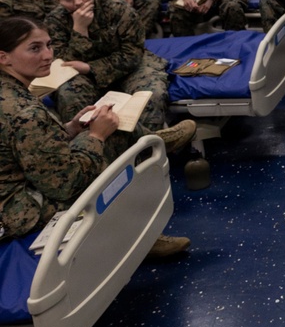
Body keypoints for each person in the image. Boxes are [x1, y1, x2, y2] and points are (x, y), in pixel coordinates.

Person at [0, 16, 192, 256]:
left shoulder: (8, 91)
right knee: (109, 147)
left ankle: (155, 142)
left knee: (108, 132)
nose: (48, 55)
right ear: (3, 57)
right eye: (34, 49)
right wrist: (96, 137)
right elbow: (67, 184)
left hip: (14, 185)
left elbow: (20, 147)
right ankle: (139, 238)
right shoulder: (24, 111)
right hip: (15, 210)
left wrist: (70, 128)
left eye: (48, 45)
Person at [45, 0, 171, 132]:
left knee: (152, 92)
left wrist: (92, 68)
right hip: (81, 76)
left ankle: (146, 144)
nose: (78, 2)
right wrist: (79, 30)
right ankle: (89, 147)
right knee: (68, 95)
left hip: (127, 69)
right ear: (57, 0)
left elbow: (132, 54)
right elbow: (61, 65)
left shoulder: (117, 8)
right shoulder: (54, 21)